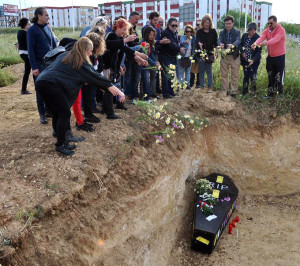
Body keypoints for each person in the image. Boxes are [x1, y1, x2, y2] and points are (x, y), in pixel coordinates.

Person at [35, 37, 125, 155]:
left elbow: (86, 77)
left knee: (57, 113)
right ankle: (60, 145)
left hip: (41, 82)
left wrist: (103, 87)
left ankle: (62, 139)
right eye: (90, 50)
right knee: (64, 113)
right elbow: (96, 76)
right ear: (85, 49)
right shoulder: (80, 60)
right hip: (50, 85)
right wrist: (118, 91)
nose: (90, 53)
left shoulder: (68, 54)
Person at [103, 18, 148, 118]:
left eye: (126, 30)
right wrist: (126, 42)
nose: (125, 32)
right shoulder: (111, 35)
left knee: (117, 85)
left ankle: (119, 104)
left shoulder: (119, 39)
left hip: (115, 66)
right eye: (123, 30)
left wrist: (137, 58)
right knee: (109, 88)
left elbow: (124, 51)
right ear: (117, 27)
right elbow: (109, 44)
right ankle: (108, 112)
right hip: (107, 67)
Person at [27, 7, 57, 124]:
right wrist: (34, 67)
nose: (48, 17)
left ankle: (48, 110)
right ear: (39, 16)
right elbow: (30, 51)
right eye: (46, 15)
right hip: (39, 65)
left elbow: (54, 45)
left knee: (51, 88)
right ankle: (42, 114)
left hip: (51, 64)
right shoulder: (32, 30)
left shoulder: (48, 28)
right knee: (40, 90)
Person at [251, 15, 286, 97]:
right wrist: (255, 43)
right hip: (270, 57)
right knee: (270, 75)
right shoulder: (267, 30)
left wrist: (266, 43)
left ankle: (280, 94)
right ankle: (270, 94)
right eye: (268, 23)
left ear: (276, 22)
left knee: (279, 76)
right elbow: (262, 37)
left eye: (271, 23)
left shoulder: (281, 30)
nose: (269, 25)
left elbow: (276, 39)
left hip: (280, 57)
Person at [141, 11, 170, 98]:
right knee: (145, 77)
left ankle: (152, 92)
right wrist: (160, 41)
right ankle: (144, 94)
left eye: (157, 20)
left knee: (154, 75)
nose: (156, 22)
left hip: (154, 53)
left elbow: (153, 42)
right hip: (146, 55)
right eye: (154, 20)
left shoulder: (157, 29)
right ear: (150, 19)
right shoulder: (145, 28)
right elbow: (148, 43)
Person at [159, 17, 185, 98]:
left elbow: (177, 43)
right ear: (168, 25)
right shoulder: (166, 33)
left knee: (171, 75)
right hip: (166, 56)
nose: (175, 27)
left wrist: (182, 45)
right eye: (173, 25)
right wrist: (179, 48)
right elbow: (171, 44)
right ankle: (166, 94)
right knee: (166, 75)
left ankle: (171, 92)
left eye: (176, 25)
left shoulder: (175, 33)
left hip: (173, 56)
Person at [218, 15, 241, 98]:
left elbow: (238, 40)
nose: (228, 25)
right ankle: (225, 90)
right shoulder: (221, 32)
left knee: (234, 75)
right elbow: (219, 39)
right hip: (225, 56)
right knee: (224, 74)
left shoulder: (237, 32)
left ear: (233, 23)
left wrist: (233, 45)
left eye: (229, 23)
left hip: (235, 56)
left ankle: (234, 92)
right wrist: (220, 44)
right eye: (226, 23)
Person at [123, 12, 142, 102]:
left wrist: (140, 43)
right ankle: (128, 94)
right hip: (127, 56)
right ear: (130, 18)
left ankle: (134, 94)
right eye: (136, 19)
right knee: (128, 77)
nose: (137, 21)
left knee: (135, 77)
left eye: (138, 19)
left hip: (135, 56)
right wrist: (138, 46)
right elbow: (125, 45)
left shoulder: (134, 28)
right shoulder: (125, 28)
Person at [196, 14, 218, 91]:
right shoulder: (199, 31)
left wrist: (217, 51)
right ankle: (202, 86)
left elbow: (215, 43)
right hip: (201, 53)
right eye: (205, 22)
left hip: (209, 53)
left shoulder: (213, 31)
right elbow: (197, 40)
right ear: (202, 23)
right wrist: (199, 43)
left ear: (210, 23)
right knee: (201, 70)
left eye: (208, 22)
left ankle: (210, 86)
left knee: (209, 71)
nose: (206, 24)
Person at [240, 22, 261, 95]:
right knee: (246, 76)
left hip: (254, 61)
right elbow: (241, 45)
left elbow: (259, 52)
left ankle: (253, 92)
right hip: (245, 60)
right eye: (251, 30)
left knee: (253, 76)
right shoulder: (244, 36)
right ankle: (244, 92)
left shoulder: (258, 38)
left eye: (254, 30)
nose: (252, 32)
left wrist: (253, 60)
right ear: (248, 30)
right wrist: (242, 52)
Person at [140, 26, 160, 101]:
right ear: (146, 34)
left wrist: (156, 61)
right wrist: (154, 63)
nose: (151, 36)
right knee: (145, 80)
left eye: (153, 35)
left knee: (146, 80)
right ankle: (146, 97)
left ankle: (146, 96)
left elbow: (151, 54)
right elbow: (146, 56)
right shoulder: (143, 43)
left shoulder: (150, 43)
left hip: (147, 63)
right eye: (150, 34)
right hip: (142, 64)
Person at [177, 25, 195, 89]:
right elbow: (181, 43)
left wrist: (193, 56)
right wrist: (184, 43)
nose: (189, 33)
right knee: (181, 72)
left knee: (188, 72)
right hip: (182, 57)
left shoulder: (193, 38)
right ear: (185, 32)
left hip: (189, 57)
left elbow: (194, 47)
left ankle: (187, 85)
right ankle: (181, 85)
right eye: (187, 31)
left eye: (190, 31)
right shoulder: (183, 37)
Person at [17, 17, 32, 95]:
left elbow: (19, 42)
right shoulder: (25, 33)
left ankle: (23, 89)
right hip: (26, 54)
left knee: (27, 72)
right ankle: (23, 90)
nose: (30, 25)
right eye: (29, 24)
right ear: (25, 25)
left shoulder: (20, 32)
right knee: (29, 71)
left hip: (23, 53)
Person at [190, 19, 202, 88]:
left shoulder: (203, 33)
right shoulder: (193, 35)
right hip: (193, 54)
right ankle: (191, 83)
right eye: (197, 24)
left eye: (200, 25)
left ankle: (198, 83)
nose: (199, 26)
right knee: (192, 69)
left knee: (199, 69)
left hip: (200, 54)